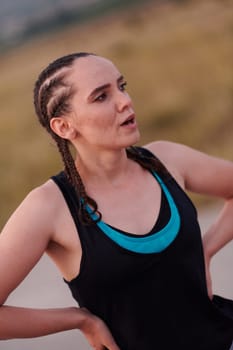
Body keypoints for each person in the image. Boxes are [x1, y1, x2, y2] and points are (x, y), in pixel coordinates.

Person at [0, 52, 233, 350]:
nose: (125, 101)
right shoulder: (49, 207)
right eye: (101, 97)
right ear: (64, 127)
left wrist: (206, 250)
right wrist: (80, 320)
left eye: (121, 86)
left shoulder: (167, 161)